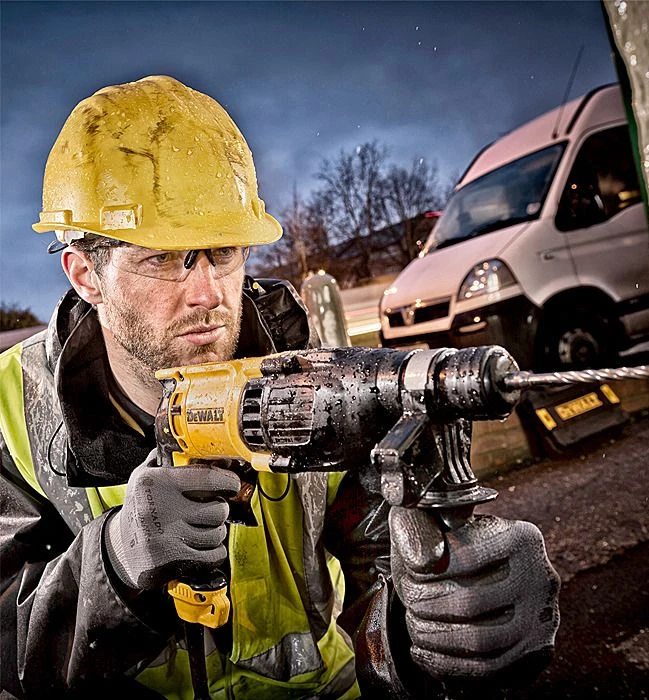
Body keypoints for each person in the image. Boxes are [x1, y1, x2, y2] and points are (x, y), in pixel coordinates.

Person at [0, 76, 560, 699]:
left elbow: (382, 563)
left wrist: (423, 632)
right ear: (86, 274)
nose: (208, 294)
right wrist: (116, 566)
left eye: (223, 253)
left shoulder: (312, 379)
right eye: (162, 259)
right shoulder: (12, 408)